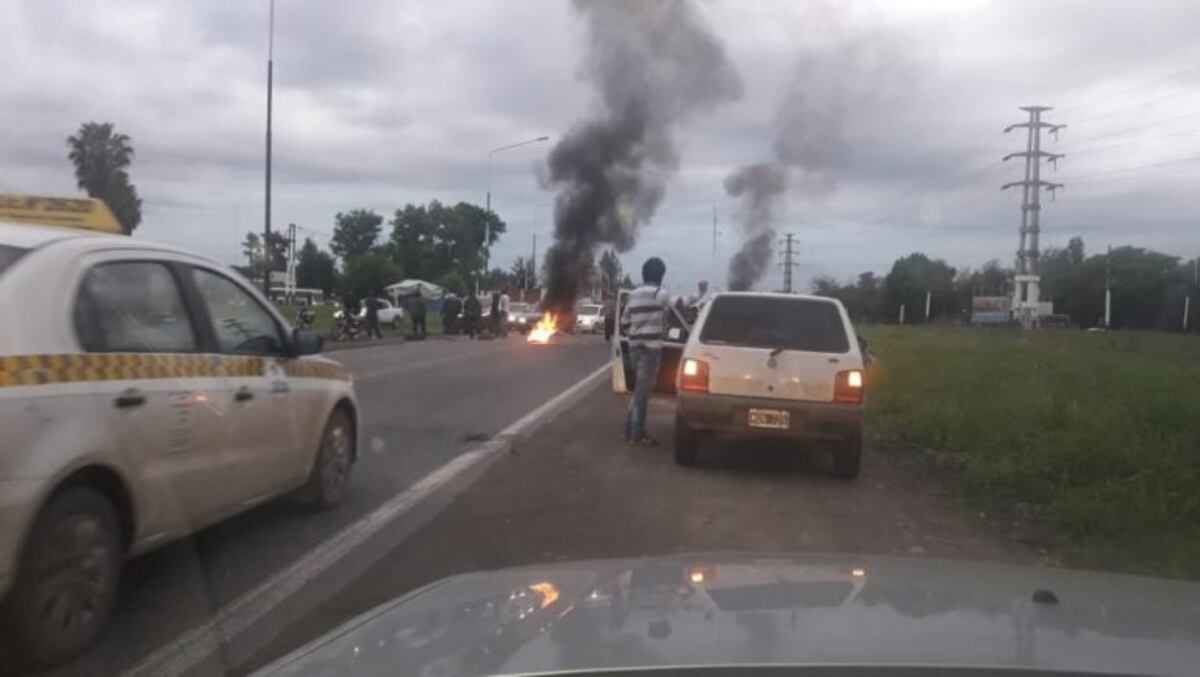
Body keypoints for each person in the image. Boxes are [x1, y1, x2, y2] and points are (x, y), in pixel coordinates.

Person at [619, 257, 672, 446]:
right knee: (642, 394)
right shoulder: (659, 294)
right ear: (660, 276)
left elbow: (624, 323)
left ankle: (628, 431)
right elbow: (678, 305)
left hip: (634, 348)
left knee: (639, 391)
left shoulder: (633, 295)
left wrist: (637, 331)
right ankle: (637, 435)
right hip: (650, 350)